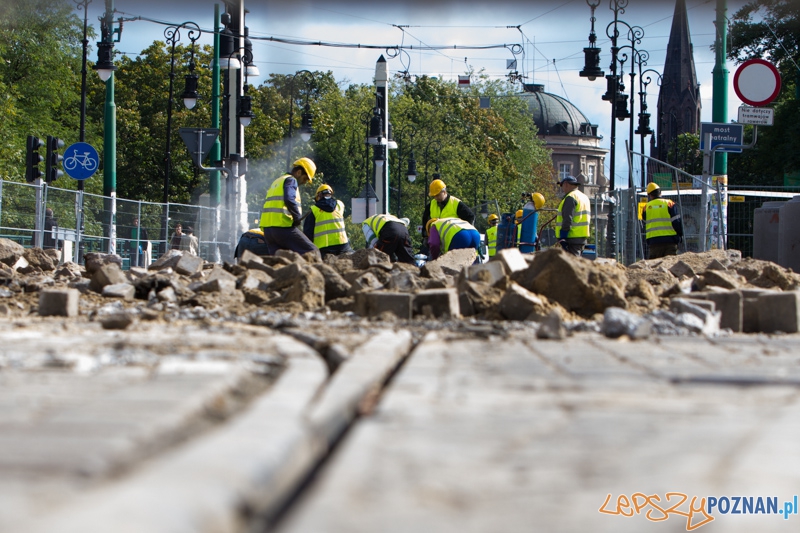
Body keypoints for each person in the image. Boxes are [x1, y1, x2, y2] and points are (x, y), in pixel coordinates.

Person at [259, 157, 320, 257]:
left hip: (268, 231)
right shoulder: (291, 180)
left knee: (279, 260)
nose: (304, 182)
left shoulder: (277, 181)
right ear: (299, 172)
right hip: (282, 228)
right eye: (305, 178)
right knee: (313, 252)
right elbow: (289, 199)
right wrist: (297, 218)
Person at [421, 179, 474, 248]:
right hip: (437, 243)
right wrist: (425, 236)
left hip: (453, 242)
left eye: (438, 195)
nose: (436, 198)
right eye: (434, 196)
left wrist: (464, 235)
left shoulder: (456, 203)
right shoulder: (431, 205)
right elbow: (425, 221)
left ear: (444, 192)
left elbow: (470, 217)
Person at [303, 184, 353, 256]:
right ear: (331, 194)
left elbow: (307, 233)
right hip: (343, 245)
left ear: (319, 195)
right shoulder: (340, 205)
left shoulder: (314, 210)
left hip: (323, 249)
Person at [643, 182, 683, 259]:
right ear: (660, 192)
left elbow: (645, 224)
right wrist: (680, 235)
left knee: (655, 267)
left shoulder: (646, 207)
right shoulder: (669, 204)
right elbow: (677, 222)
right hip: (670, 241)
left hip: (653, 243)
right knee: (669, 266)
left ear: (650, 195)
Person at [556, 175, 591, 257]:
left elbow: (568, 218)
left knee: (572, 264)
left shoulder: (570, 197)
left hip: (571, 237)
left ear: (566, 184)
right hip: (581, 236)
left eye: (562, 186)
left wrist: (563, 236)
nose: (562, 189)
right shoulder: (584, 197)